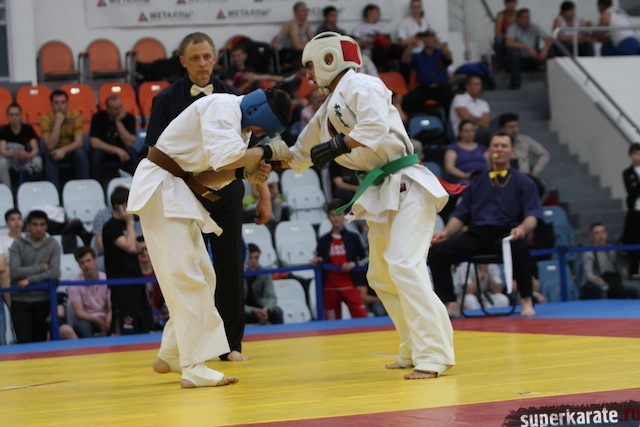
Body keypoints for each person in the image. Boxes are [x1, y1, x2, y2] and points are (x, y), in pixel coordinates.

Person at [278, 32, 455, 379]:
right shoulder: (327, 109)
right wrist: (263, 159)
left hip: (407, 184)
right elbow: (300, 153)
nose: (309, 75)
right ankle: (413, 346)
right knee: (381, 275)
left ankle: (435, 353)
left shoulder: (364, 85)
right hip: (381, 192)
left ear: (329, 58)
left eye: (310, 66)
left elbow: (374, 126)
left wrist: (337, 146)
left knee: (404, 265)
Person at [128, 86, 292, 388]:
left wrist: (243, 174)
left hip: (177, 189)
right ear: (255, 110)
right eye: (259, 129)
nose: (256, 135)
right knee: (185, 277)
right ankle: (193, 366)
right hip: (161, 187)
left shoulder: (237, 128)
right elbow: (228, 158)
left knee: (204, 276)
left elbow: (208, 176)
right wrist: (266, 152)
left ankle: (172, 353)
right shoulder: (222, 107)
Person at [145, 31, 274, 362]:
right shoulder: (165, 100)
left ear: (215, 58)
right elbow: (154, 154)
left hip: (227, 190)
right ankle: (186, 348)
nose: (202, 63)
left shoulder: (234, 97)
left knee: (230, 265)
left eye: (207, 56)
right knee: (190, 271)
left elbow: (252, 151)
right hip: (183, 192)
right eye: (195, 58)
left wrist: (264, 196)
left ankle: (231, 345)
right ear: (183, 61)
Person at [429, 131, 542, 318]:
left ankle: (526, 299)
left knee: (520, 247)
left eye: (504, 146)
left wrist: (522, 229)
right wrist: (445, 233)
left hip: (506, 235)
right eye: (496, 145)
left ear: (512, 151)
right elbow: (461, 215)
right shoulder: (477, 182)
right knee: (437, 252)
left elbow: (532, 216)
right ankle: (451, 302)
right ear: (489, 150)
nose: (500, 149)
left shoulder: (524, 182)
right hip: (477, 235)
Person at [102, 187, 153, 336]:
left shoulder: (128, 225)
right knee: (126, 325)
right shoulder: (110, 227)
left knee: (142, 324)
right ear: (120, 206)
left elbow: (137, 247)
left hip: (136, 279)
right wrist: (130, 222)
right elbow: (130, 247)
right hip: (121, 282)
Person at [311, 199, 369, 320]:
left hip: (350, 286)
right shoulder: (323, 240)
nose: (336, 218)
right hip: (329, 288)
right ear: (328, 217)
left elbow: (365, 258)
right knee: (331, 325)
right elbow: (318, 258)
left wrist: (353, 264)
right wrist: (316, 261)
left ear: (344, 216)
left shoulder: (353, 237)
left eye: (339, 214)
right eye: (332, 215)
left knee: (362, 319)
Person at [9, 210, 60, 343]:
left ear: (46, 226)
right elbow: (15, 271)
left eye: (42, 224)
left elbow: (54, 272)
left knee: (40, 342)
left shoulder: (53, 244)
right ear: (28, 226)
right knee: (24, 342)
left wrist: (29, 280)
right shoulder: (18, 244)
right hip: (19, 299)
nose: (38, 228)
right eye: (35, 224)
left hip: (43, 299)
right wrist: (42, 267)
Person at [40, 89, 90, 190]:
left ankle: (85, 187)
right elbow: (50, 145)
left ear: (67, 103)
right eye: (56, 103)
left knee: (80, 153)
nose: (60, 106)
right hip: (54, 151)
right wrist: (58, 123)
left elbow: (79, 142)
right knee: (49, 156)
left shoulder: (75, 116)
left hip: (71, 150)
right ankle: (53, 192)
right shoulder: (45, 119)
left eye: (63, 102)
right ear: (51, 104)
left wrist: (63, 150)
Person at [89, 94, 140, 186]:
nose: (120, 110)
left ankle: (135, 184)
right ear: (108, 110)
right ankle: (98, 186)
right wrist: (117, 150)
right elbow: (94, 142)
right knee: (95, 153)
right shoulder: (98, 117)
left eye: (121, 107)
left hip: (123, 151)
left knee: (131, 151)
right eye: (116, 109)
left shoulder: (129, 117)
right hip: (106, 151)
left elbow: (128, 143)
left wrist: (118, 122)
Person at [400, 28, 453, 117]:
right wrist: (412, 45)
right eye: (426, 37)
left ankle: (448, 122)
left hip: (441, 88)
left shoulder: (441, 54)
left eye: (431, 37)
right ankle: (418, 119)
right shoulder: (418, 56)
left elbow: (449, 57)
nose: (429, 39)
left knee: (451, 98)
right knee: (409, 100)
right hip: (424, 88)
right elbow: (404, 60)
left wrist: (439, 43)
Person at [581, 222, 639, 300]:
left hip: (611, 281)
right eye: (597, 233)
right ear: (591, 236)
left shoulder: (612, 249)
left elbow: (619, 265)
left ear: (606, 234)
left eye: (603, 232)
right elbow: (588, 274)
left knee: (634, 292)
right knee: (603, 291)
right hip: (594, 283)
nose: (601, 235)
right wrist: (599, 282)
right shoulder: (588, 252)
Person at [499, 112, 549, 196]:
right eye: (511, 127)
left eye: (516, 126)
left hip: (524, 177)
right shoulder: (497, 144)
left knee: (539, 188)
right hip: (505, 179)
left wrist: (535, 171)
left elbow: (544, 154)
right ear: (503, 129)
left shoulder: (525, 140)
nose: (515, 129)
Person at [68, 246, 111, 338]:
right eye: (82, 262)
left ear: (95, 260)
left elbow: (111, 307)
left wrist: (109, 319)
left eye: (88, 261)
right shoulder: (74, 283)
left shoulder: (107, 279)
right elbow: (79, 312)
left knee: (118, 321)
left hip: (106, 318)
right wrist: (96, 319)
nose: (86, 265)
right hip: (88, 319)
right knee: (82, 326)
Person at [505, 8, 553, 90]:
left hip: (533, 58)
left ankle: (552, 80)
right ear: (518, 19)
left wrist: (545, 50)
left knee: (551, 51)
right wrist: (527, 48)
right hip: (520, 60)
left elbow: (549, 40)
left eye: (528, 17)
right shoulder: (513, 27)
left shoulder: (535, 27)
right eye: (524, 17)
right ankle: (515, 84)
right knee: (514, 53)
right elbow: (508, 43)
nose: (527, 20)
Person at [0, 103, 42, 188]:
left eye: (16, 115)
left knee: (38, 161)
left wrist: (27, 155)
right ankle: (7, 190)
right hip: (11, 159)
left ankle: (32, 188)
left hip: (26, 159)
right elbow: (2, 150)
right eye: (11, 115)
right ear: (7, 116)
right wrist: (12, 153)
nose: (14, 117)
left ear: (21, 116)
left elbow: (36, 149)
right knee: (2, 163)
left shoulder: (28, 129)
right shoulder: (4, 130)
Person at [351, 4, 403, 72]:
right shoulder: (360, 28)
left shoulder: (383, 27)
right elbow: (354, 41)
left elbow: (388, 41)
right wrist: (361, 43)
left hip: (383, 48)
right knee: (376, 54)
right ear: (369, 13)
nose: (379, 14)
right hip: (368, 48)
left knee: (399, 49)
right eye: (377, 12)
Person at [244, 243, 284, 325]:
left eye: (256, 257)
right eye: (250, 257)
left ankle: (282, 333)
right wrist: (252, 310)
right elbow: (235, 304)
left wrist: (267, 309)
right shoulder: (237, 275)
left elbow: (271, 296)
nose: (253, 261)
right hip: (245, 310)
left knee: (277, 312)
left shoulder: (265, 273)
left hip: (261, 308)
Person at [273, 1, 315, 71]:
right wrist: (308, 44)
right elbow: (297, 46)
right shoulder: (292, 24)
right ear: (296, 12)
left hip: (293, 51)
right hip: (283, 52)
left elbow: (314, 41)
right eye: (303, 10)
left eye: (307, 10)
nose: (306, 13)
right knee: (303, 54)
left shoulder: (305, 24)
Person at [448, 75, 491, 142]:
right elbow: (466, 120)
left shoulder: (483, 103)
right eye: (476, 84)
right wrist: (480, 120)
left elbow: (486, 124)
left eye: (480, 84)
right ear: (468, 86)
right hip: (463, 133)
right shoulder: (459, 98)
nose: (479, 87)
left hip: (480, 132)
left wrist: (472, 118)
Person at [621, 143, 640, 279]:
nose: (637, 156)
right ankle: (635, 268)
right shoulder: (627, 173)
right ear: (630, 155)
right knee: (635, 239)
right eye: (635, 153)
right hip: (636, 210)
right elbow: (632, 191)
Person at [0, 208, 24, 305]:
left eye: (19, 218)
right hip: (12, 272)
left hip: (30, 270)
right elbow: (1, 266)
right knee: (4, 271)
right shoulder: (1, 240)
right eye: (13, 219)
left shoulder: (29, 237)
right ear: (7, 224)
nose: (16, 222)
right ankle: (12, 307)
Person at [493, 0, 518, 72]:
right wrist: (508, 36)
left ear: (516, 4)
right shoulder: (501, 15)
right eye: (509, 3)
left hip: (515, 40)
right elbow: (497, 33)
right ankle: (501, 66)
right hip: (503, 40)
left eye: (513, 3)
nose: (511, 5)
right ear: (505, 4)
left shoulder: (519, 15)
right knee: (498, 40)